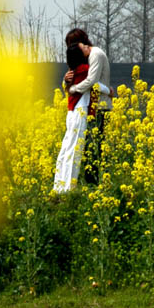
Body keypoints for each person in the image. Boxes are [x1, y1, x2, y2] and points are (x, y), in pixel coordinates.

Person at [53, 45, 110, 193]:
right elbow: (93, 83)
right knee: (74, 152)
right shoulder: (84, 69)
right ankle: (68, 189)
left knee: (66, 149)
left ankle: (58, 185)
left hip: (71, 113)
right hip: (80, 112)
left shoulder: (71, 72)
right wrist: (109, 91)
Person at [63, 29, 112, 184]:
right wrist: (66, 80)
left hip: (99, 107)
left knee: (93, 148)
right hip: (86, 107)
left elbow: (91, 81)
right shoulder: (82, 61)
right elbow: (71, 82)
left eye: (73, 45)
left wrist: (73, 89)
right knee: (83, 149)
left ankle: (92, 185)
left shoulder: (95, 55)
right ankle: (85, 185)